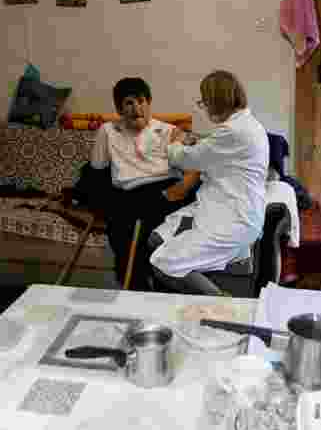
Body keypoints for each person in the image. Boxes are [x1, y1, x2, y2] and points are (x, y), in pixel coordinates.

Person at [149, 70, 269, 295]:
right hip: (229, 208)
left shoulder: (233, 131)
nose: (204, 107)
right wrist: (200, 143)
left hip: (232, 220)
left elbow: (186, 159)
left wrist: (174, 144)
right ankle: (231, 262)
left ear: (216, 101)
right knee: (157, 240)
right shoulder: (247, 124)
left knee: (162, 263)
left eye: (204, 102)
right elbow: (218, 151)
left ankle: (221, 302)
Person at [90, 77, 201, 290]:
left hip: (166, 189)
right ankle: (138, 288)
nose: (136, 108)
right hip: (130, 193)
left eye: (141, 102)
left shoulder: (168, 131)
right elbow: (97, 170)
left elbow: (194, 163)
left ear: (149, 103)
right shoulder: (107, 131)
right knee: (123, 227)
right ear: (119, 109)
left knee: (149, 227)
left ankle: (156, 285)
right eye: (129, 103)